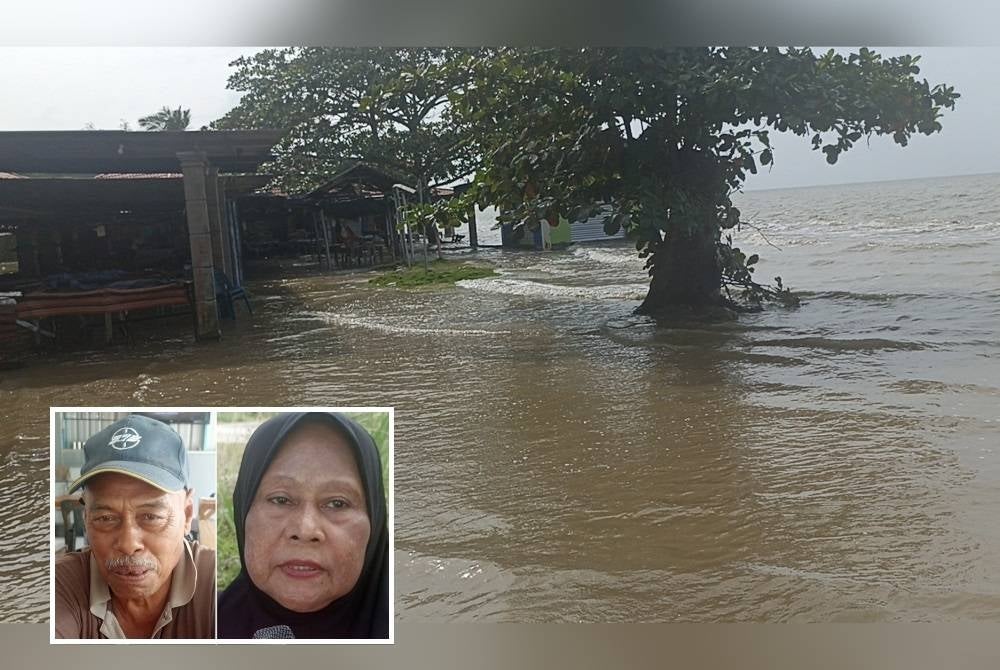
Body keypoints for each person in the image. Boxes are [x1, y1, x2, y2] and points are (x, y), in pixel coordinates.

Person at [217, 412, 389, 639]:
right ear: (244, 511)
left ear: (374, 526)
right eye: (281, 500)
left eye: (337, 503)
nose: (305, 530)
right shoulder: (204, 626)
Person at [53, 414, 216, 639]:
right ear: (87, 517)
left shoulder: (217, 589)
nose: (129, 545)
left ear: (187, 515)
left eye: (151, 516)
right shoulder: (61, 586)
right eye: (105, 518)